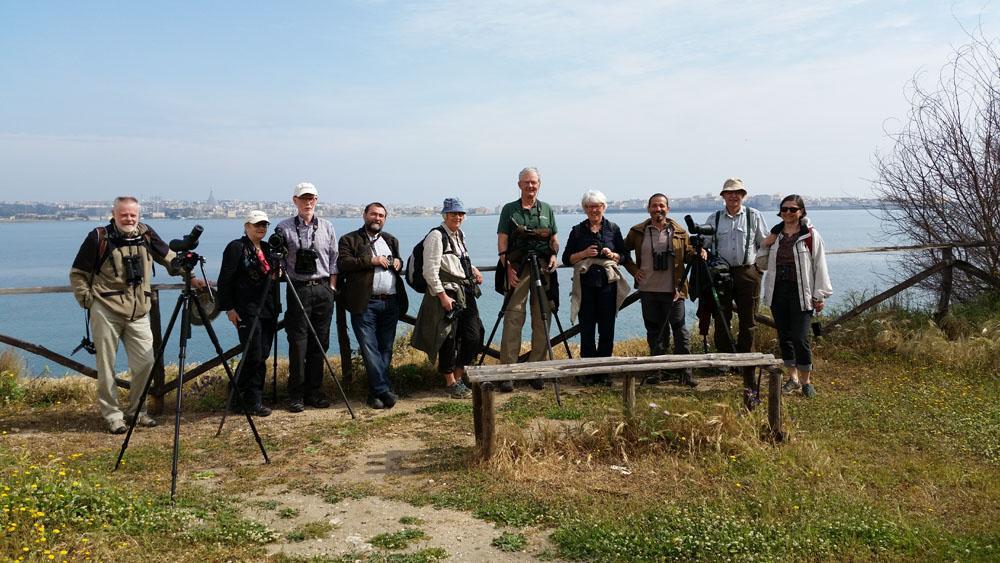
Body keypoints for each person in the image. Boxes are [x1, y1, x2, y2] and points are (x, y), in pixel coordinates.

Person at [69, 196, 202, 434]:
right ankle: (113, 416)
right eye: (124, 215)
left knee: (146, 363)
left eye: (133, 215)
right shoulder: (99, 237)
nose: (129, 219)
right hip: (106, 310)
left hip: (139, 310)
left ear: (138, 215)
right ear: (114, 214)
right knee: (106, 366)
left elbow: (169, 259)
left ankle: (136, 411)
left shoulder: (146, 234)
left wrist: (190, 276)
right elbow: (78, 273)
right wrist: (87, 300)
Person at [623, 193, 703, 387]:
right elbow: (622, 252)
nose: (658, 209)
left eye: (662, 206)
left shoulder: (679, 232)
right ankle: (656, 370)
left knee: (680, 331)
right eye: (654, 206)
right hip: (648, 289)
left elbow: (689, 255)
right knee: (654, 332)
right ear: (648, 208)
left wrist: (700, 251)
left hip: (674, 291)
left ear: (668, 208)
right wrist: (634, 271)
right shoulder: (637, 231)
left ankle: (685, 371)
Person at [759, 195, 832, 398]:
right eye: (784, 209)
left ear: (801, 212)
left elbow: (820, 265)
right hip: (778, 292)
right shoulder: (776, 235)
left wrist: (820, 295)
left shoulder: (810, 235)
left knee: (801, 338)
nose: (788, 213)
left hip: (802, 292)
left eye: (793, 209)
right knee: (785, 338)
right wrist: (765, 244)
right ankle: (793, 378)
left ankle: (807, 381)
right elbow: (761, 265)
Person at [275, 182, 339, 413]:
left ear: (317, 200)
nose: (308, 202)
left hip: (322, 288)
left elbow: (334, 259)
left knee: (320, 343)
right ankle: (296, 395)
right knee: (298, 344)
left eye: (311, 198)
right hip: (298, 288)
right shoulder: (284, 228)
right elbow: (279, 261)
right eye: (303, 198)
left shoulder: (327, 226)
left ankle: (315, 391)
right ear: (295, 201)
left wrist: (331, 287)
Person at [337, 202, 408, 410]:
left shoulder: (391, 240)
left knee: (385, 348)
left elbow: (398, 260)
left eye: (381, 216)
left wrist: (398, 263)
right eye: (374, 214)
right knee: (369, 348)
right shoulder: (349, 239)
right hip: (365, 303)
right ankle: (384, 390)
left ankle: (375, 393)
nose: (377, 218)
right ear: (364, 215)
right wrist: (372, 260)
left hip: (391, 301)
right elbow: (344, 263)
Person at [412, 198, 484, 399]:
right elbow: (430, 270)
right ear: (445, 215)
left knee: (473, 334)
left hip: (464, 290)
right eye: (453, 214)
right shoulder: (436, 236)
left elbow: (458, 260)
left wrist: (474, 270)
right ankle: (450, 381)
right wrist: (442, 296)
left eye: (461, 214)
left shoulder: (459, 234)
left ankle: (459, 376)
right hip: (446, 292)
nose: (458, 217)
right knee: (447, 337)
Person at [496, 167, 559, 392]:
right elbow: (502, 240)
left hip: (542, 267)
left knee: (542, 316)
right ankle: (508, 372)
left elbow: (554, 238)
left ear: (539, 184)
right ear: (519, 185)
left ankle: (536, 370)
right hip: (518, 267)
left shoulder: (547, 209)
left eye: (534, 182)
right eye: (526, 182)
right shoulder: (509, 209)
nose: (530, 186)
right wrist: (506, 267)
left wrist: (554, 255)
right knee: (513, 316)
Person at [701, 178, 768, 392]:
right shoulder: (715, 218)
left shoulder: (753, 216)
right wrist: (702, 252)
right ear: (723, 196)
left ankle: (746, 360)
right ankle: (724, 360)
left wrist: (759, 268)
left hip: (747, 271)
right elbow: (705, 244)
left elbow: (764, 243)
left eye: (738, 192)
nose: (733, 196)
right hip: (721, 272)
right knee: (721, 316)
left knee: (748, 318)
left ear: (743, 195)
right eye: (729, 193)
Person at [216, 210, 279, 417]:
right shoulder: (236, 247)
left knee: (262, 355)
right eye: (257, 224)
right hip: (246, 309)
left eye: (264, 225)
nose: (261, 228)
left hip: (268, 309)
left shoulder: (269, 248)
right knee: (253, 354)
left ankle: (250, 398)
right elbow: (225, 279)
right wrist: (229, 309)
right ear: (246, 226)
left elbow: (274, 275)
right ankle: (244, 397)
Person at [562, 190, 629, 385]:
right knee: (587, 329)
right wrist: (584, 253)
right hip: (585, 287)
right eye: (590, 206)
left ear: (604, 207)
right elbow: (567, 258)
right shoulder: (577, 231)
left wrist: (613, 255)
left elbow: (625, 256)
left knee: (607, 330)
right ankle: (588, 372)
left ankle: (604, 372)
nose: (594, 210)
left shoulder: (613, 229)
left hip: (608, 286)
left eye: (597, 206)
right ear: (585, 209)